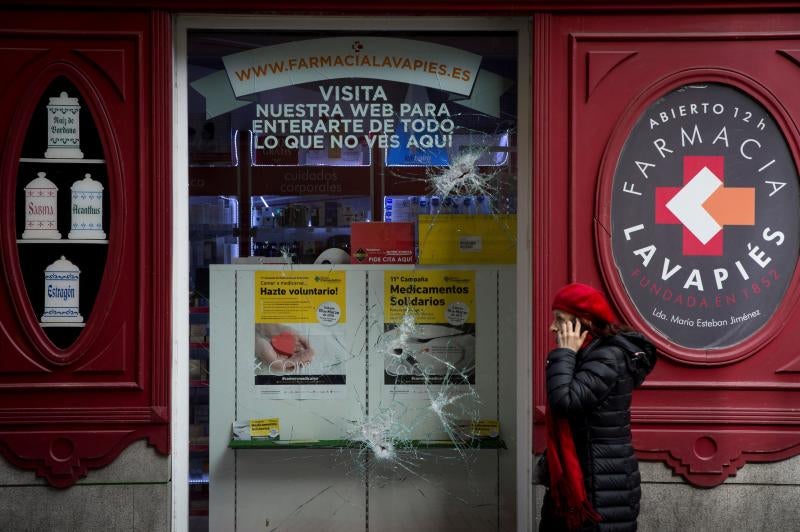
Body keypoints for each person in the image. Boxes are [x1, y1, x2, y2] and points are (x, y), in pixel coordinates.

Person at [539, 283, 657, 531]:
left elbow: (565, 402)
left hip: (601, 481)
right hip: (588, 475)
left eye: (560, 319)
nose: (552, 327)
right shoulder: (589, 354)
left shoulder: (607, 356)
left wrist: (564, 354)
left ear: (585, 321)